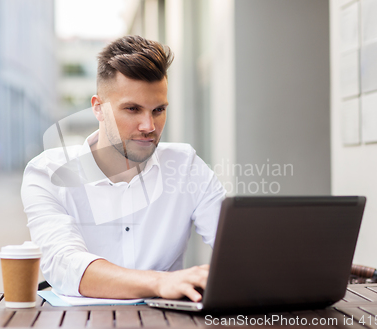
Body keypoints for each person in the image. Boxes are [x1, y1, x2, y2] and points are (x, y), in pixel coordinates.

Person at [21, 35, 226, 303]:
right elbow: (65, 265)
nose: (148, 126)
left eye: (158, 109)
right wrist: (161, 281)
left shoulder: (185, 166)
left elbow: (240, 249)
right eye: (132, 109)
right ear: (99, 108)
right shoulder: (47, 172)